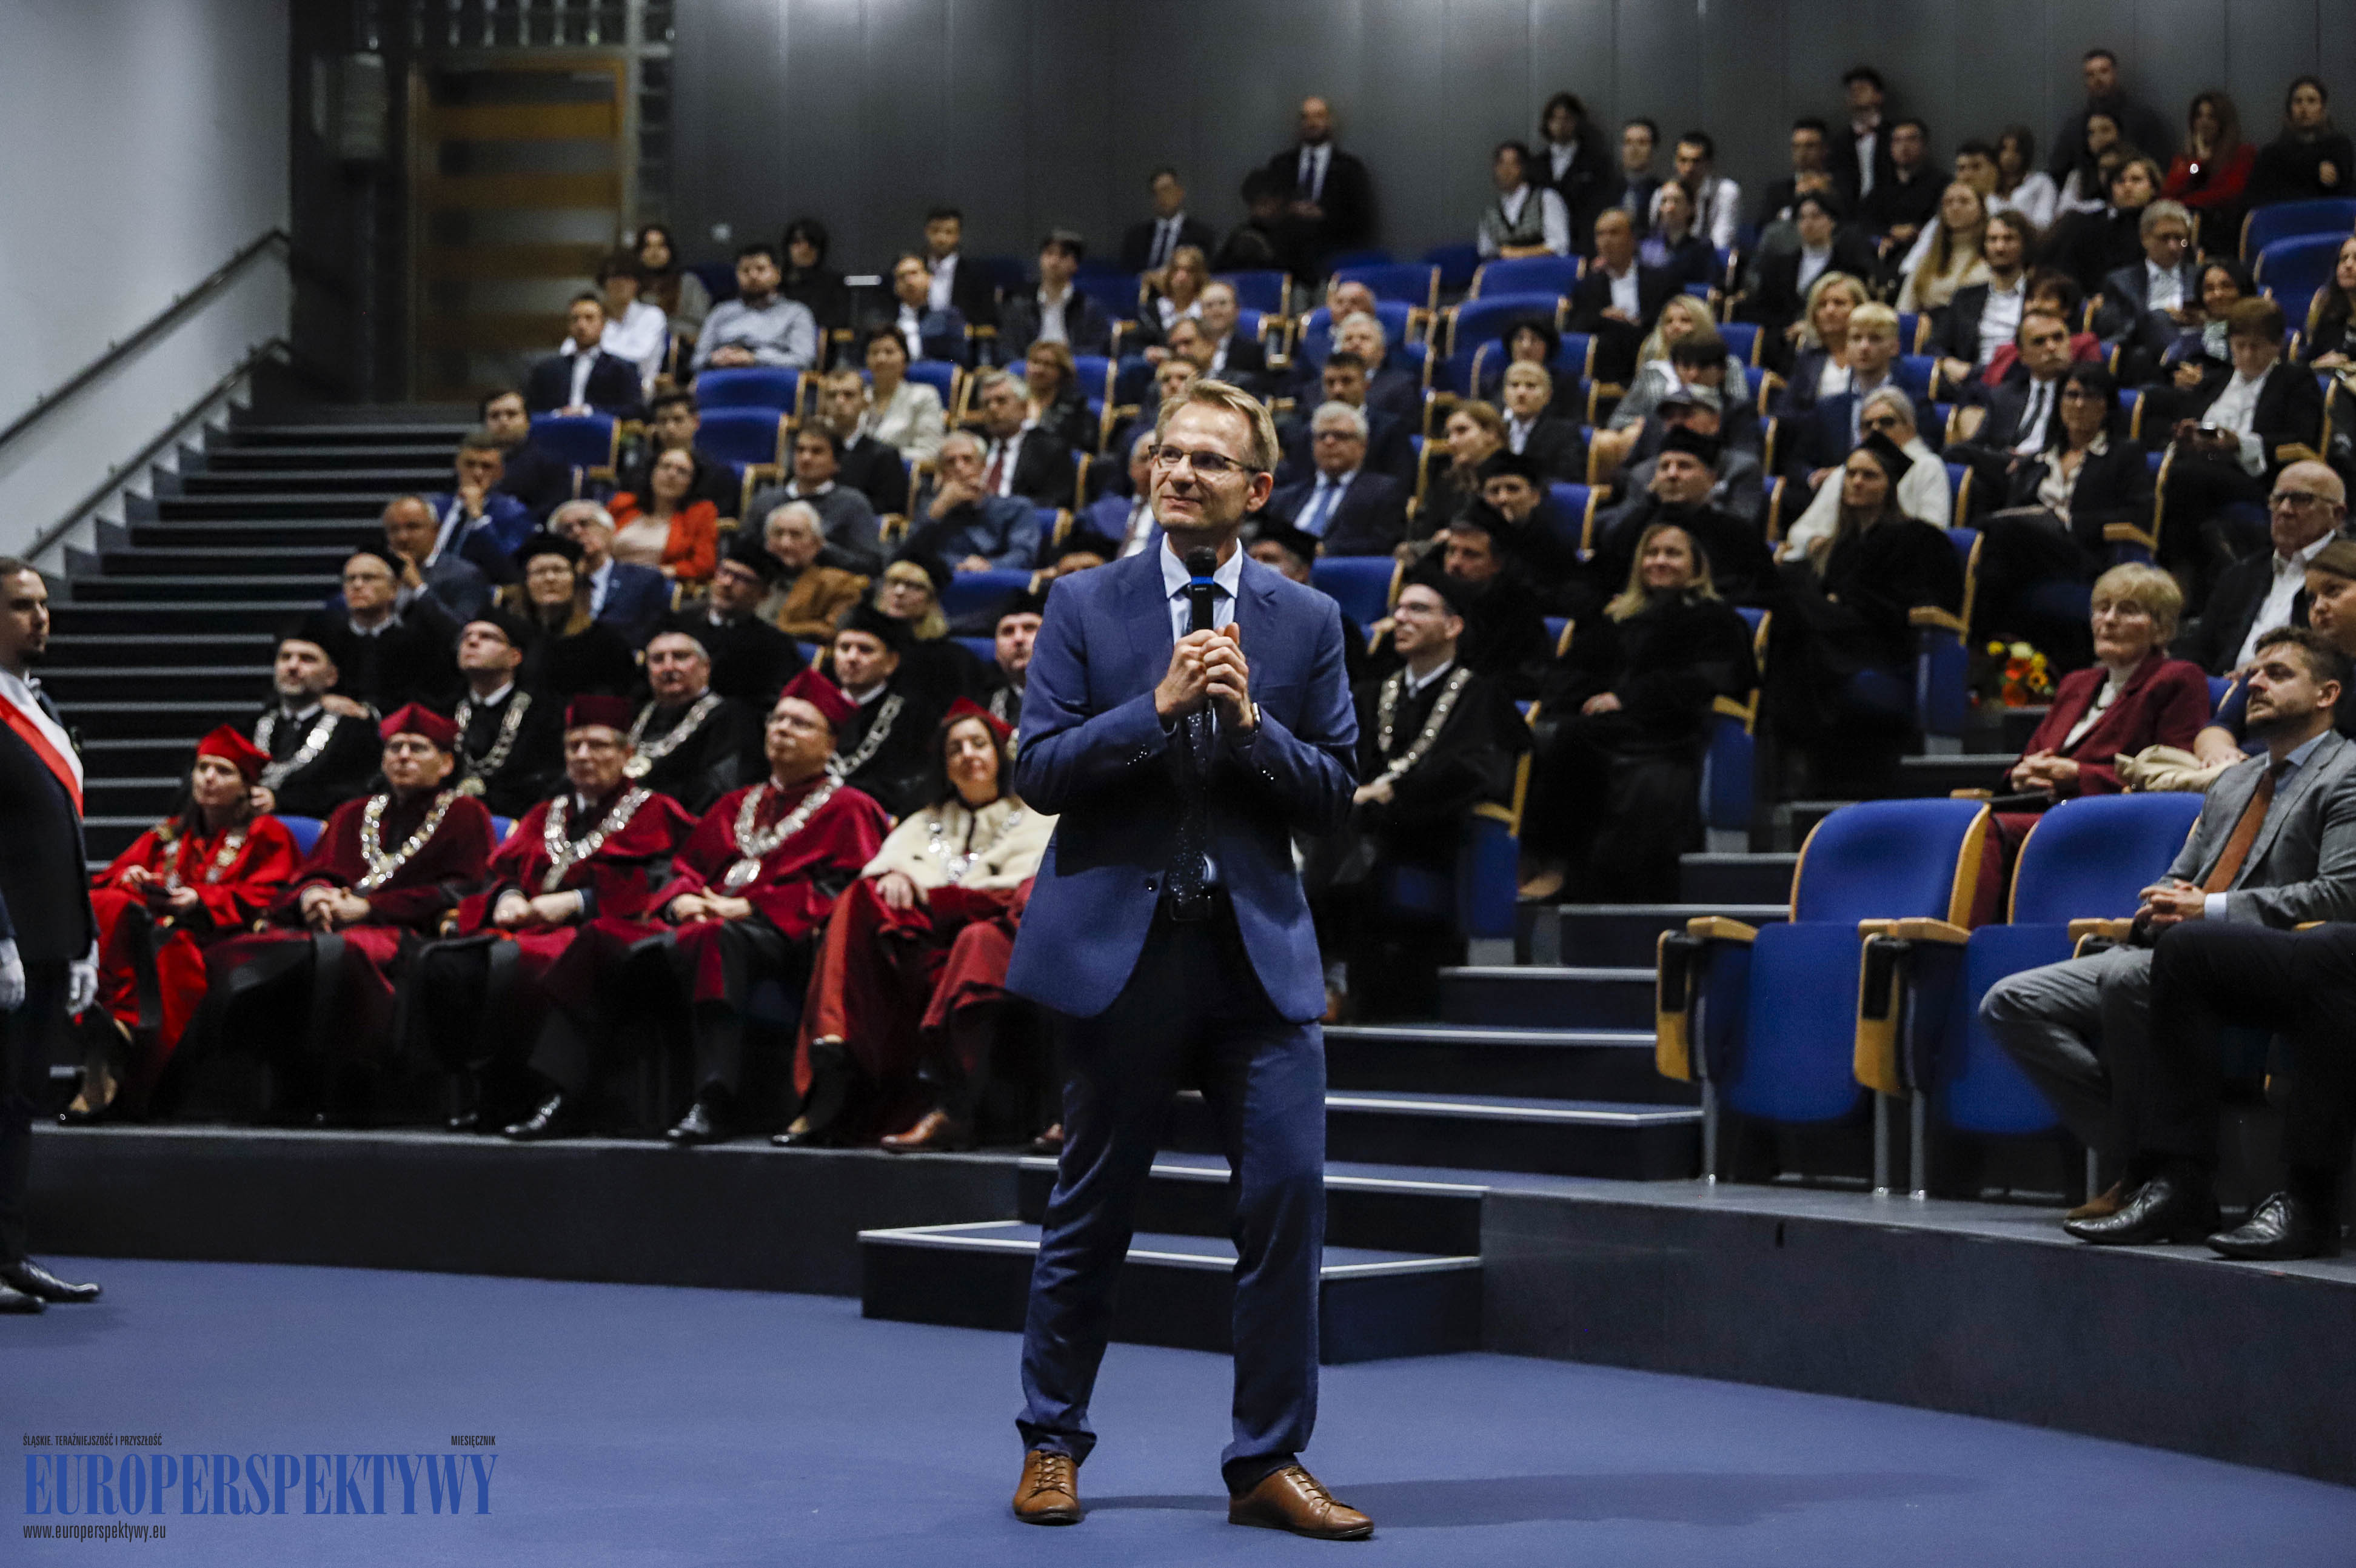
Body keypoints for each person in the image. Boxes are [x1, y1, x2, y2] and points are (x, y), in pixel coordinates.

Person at [1003, 377, 1365, 1538]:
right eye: (1168, 454)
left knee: (1288, 1204)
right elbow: (1040, 772)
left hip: (1257, 957)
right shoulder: (1083, 606)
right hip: (1124, 956)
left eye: (1210, 462)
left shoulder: (1305, 623)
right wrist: (1155, 708)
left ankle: (1266, 1459)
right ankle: (1051, 1441)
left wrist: (1258, 731)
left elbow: (1337, 801)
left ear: (1257, 489)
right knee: (1092, 1207)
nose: (1180, 473)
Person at [1983, 627, 2356, 1225]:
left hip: (2273, 958)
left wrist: (2206, 912)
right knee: (2011, 1002)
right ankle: (2143, 1160)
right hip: (2176, 946)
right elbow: (2182, 875)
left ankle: (2164, 1174)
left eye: (2278, 674)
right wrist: (2158, 906)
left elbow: (2341, 895)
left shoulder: (2347, 772)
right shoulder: (2235, 781)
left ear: (2326, 694)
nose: (2254, 682)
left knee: (2131, 980)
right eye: (2253, 672)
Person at [409, 695, 698, 1141]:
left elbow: (663, 881)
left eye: (598, 746)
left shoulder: (656, 810)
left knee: (516, 966)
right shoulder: (548, 812)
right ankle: (484, 1091)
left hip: (597, 932)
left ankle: (544, 1094)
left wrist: (577, 902)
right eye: (575, 747)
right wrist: (506, 896)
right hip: (523, 925)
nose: (584, 756)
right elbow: (500, 871)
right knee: (444, 964)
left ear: (626, 755)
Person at [193, 706, 497, 1125]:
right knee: (258, 949)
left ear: (446, 763)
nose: (403, 756)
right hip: (328, 926)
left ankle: (344, 1085)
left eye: (417, 748)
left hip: (403, 932)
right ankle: (284, 1078)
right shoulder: (352, 813)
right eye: (394, 748)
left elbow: (464, 888)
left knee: (340, 953)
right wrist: (313, 896)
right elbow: (312, 873)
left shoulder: (465, 814)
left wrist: (370, 907)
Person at [631, 674, 894, 1147]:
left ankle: (715, 1099)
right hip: (710, 923)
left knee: (716, 941)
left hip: (790, 941)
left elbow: (845, 890)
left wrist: (750, 906)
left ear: (830, 742)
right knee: (621, 950)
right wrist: (682, 901)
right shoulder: (735, 804)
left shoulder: (851, 809)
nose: (782, 730)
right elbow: (684, 867)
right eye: (777, 721)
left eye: (800, 723)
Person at [794, 700, 1056, 1150]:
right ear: (945, 766)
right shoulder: (924, 821)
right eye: (955, 749)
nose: (968, 755)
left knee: (976, 946)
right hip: (923, 944)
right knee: (860, 900)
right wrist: (893, 873)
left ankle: (949, 1107)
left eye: (978, 744)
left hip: (998, 937)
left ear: (999, 755)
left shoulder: (1036, 814)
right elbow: (882, 875)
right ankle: (835, 1044)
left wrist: (941, 898)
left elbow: (1020, 895)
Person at [1313, 565, 1530, 1022]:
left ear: (1453, 625)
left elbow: (1476, 771)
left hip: (1434, 833)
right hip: (1363, 828)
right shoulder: (1371, 694)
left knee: (1349, 843)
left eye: (1419, 609)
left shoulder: (1481, 695)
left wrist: (1392, 794)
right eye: (1398, 610)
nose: (1402, 619)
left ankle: (1336, 980)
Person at [1519, 524, 1756, 905]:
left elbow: (1711, 679)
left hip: (1666, 728)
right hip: (1608, 724)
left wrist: (1628, 697)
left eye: (1673, 553)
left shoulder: (1717, 620)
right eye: (1652, 553)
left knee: (1577, 740)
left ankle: (1558, 864)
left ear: (1697, 567)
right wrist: (1587, 695)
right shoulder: (1617, 618)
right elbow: (1571, 672)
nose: (1659, 561)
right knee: (1539, 732)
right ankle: (1533, 859)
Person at [70, 728, 301, 1120]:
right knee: (108, 903)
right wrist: (136, 877)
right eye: (203, 768)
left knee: (171, 957)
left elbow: (273, 894)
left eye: (223, 771)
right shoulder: (172, 831)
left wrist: (203, 899)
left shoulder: (268, 834)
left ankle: (127, 1065)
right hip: (159, 930)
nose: (208, 778)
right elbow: (115, 874)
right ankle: (113, 1030)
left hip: (218, 935)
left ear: (247, 786)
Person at [0, 561, 98, 1312]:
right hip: (7, 939)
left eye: (42, 604)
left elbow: (63, 830)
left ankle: (8, 1257)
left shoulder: (42, 704)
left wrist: (86, 938)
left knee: (19, 1103)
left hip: (49, 938)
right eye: (20, 606)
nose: (40, 617)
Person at [1766, 432, 1965, 794]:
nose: (1857, 482)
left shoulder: (1918, 537)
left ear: (1890, 487)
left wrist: (1849, 601)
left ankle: (1793, 757)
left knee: (1795, 614)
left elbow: (1921, 607)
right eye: (1851, 475)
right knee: (1783, 597)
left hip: (1882, 643)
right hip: (1835, 638)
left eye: (1869, 476)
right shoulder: (1838, 546)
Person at [1990, 565, 2205, 817]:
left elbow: (2172, 776)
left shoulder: (2177, 679)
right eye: (2102, 609)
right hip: (2039, 812)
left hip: (2105, 819)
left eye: (2127, 610)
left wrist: (2078, 776)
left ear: (2161, 628)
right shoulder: (2076, 683)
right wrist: (2018, 777)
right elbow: (2033, 755)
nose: (2109, 620)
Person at [1968, 362, 2151, 655]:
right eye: (2072, 395)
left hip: (2082, 553)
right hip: (2027, 553)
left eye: (2090, 397)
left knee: (1995, 532)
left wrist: (2069, 521)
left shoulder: (2123, 455)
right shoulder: (2040, 458)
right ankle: (1991, 649)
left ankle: (1977, 646)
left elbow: (2138, 515)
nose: (2079, 405)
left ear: (2107, 406)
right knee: (1989, 548)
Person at [2156, 297, 2328, 603]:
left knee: (2183, 478)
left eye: (2256, 347)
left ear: (2277, 346)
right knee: (2171, 473)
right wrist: (2186, 436)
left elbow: (2300, 442)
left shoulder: (2295, 382)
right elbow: (2185, 422)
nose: (2247, 355)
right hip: (2205, 465)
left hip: (2258, 475)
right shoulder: (2215, 381)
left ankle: (2180, 577)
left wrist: (2240, 444)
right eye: (2240, 346)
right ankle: (2194, 572)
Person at [2177, 461, 2349, 677]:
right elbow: (2200, 648)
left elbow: (2338, 657)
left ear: (2338, 515)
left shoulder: (2347, 575)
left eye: (2301, 500)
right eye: (2278, 499)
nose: (2285, 510)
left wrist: (2261, 672)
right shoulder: (2241, 574)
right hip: (2224, 692)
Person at [1594, 424, 1775, 609]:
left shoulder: (1736, 534)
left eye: (1684, 466)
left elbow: (1762, 595)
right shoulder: (1632, 526)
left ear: (1711, 479)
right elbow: (1601, 584)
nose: (1672, 475)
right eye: (1665, 467)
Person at [1943, 308, 2077, 506]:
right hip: (2004, 466)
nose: (2051, 347)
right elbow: (1978, 443)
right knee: (1955, 454)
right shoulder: (2004, 395)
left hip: (2048, 468)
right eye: (2039, 341)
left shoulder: (2081, 393)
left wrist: (2031, 461)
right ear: (2022, 355)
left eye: (2058, 338)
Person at [824, 606, 946, 818]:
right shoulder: (812, 708)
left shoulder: (915, 716)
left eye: (865, 650)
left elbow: (909, 785)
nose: (852, 658)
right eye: (844, 648)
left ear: (891, 662)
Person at [247, 631, 381, 818]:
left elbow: (356, 792)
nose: (293, 666)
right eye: (285, 657)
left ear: (332, 676)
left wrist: (281, 801)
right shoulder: (252, 725)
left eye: (307, 659)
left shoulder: (353, 730)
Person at [624, 630, 757, 815]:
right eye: (658, 659)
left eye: (680, 657)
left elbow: (716, 789)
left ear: (705, 666)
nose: (668, 667)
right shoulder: (635, 712)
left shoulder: (730, 717)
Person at [668, 538, 807, 710]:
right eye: (724, 572)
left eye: (741, 579)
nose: (727, 583)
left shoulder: (774, 646)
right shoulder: (677, 623)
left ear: (763, 594)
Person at [449, 611, 564, 817]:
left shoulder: (542, 713)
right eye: (466, 637)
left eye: (487, 637)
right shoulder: (445, 708)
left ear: (515, 657)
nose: (472, 642)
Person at [505, 532, 640, 700]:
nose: (550, 578)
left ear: (576, 581)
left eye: (559, 570)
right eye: (539, 572)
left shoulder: (605, 642)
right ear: (526, 584)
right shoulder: (508, 638)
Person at [1265, 403, 1408, 557]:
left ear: (1363, 445)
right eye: (1322, 436)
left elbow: (1383, 544)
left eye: (1340, 436)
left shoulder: (1383, 492)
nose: (1329, 442)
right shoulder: (1285, 498)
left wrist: (1323, 551)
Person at [1741, 192, 1878, 352]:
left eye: (1816, 216)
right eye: (1802, 218)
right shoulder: (1778, 266)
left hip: (1830, 344)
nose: (1808, 223)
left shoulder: (1848, 267)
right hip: (1781, 345)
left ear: (1832, 222)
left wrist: (1813, 328)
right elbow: (1764, 310)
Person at [748, 426, 885, 576]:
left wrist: (821, 550)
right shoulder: (766, 501)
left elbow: (870, 565)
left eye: (817, 451)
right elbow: (742, 553)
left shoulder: (853, 504)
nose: (806, 458)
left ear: (837, 462)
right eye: (800, 450)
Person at [1262, 94, 1377, 272]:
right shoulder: (1280, 165)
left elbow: (1362, 220)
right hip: (1287, 257)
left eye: (1318, 116)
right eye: (1305, 117)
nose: (1311, 123)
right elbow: (1265, 212)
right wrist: (1290, 210)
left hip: (1335, 254)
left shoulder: (1350, 168)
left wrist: (1323, 215)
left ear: (1330, 121)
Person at [905, 430, 1043, 575]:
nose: (959, 467)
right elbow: (908, 558)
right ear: (943, 473)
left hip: (994, 586)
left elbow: (1024, 556)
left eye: (967, 459)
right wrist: (939, 509)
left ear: (983, 466)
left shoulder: (1016, 508)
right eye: (950, 462)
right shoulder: (932, 510)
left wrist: (989, 565)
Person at [2090, 199, 2200, 381]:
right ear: (2145, 238)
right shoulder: (2120, 282)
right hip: (2148, 361)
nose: (2173, 246)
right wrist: (2161, 319)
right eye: (2165, 238)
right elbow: (2117, 333)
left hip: (2196, 352)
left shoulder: (2201, 278)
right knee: (2157, 320)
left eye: (2179, 239)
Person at [546, 499, 672, 649]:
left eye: (585, 524)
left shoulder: (644, 580)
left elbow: (652, 635)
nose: (577, 532)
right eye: (567, 529)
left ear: (608, 531)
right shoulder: (550, 584)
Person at [1928, 210, 2034, 386]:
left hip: (2019, 381)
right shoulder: (1966, 297)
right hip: (1971, 380)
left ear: (2025, 244)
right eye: (1992, 240)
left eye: (2009, 239)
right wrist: (1949, 363)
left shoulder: (2041, 294)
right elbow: (1935, 345)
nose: (2000, 247)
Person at [1567, 210, 1673, 383]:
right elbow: (1574, 327)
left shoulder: (1661, 280)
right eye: (1600, 235)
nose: (1606, 241)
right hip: (1608, 361)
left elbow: (1666, 322)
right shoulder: (1586, 286)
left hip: (1649, 351)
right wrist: (1604, 317)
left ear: (1632, 239)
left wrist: (1633, 323)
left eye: (1614, 233)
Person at [2046, 47, 2175, 186]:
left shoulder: (2144, 120)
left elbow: (2161, 168)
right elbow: (2056, 174)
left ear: (2115, 73)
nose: (2098, 80)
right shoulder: (2075, 127)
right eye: (2090, 75)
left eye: (2104, 71)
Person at [867, 557, 986, 705]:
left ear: (931, 599)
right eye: (893, 582)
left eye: (913, 586)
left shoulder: (952, 660)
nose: (899, 592)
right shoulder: (860, 646)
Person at [425, 429, 534, 585]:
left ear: (500, 473)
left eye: (487, 466)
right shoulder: (434, 507)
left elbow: (506, 568)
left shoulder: (514, 513)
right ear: (457, 466)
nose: (477, 473)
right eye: (470, 464)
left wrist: (478, 518)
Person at [692, 243, 819, 373]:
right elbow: (697, 361)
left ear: (777, 274)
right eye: (745, 270)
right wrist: (714, 359)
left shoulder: (797, 313)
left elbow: (804, 361)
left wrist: (754, 358)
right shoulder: (720, 312)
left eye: (761, 269)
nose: (753, 275)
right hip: (723, 376)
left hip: (772, 377)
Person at [615, 390, 743, 520]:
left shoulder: (719, 475)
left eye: (678, 420)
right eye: (662, 421)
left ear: (696, 422)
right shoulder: (638, 474)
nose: (670, 428)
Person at [606, 447, 720, 586]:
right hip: (609, 583)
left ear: (692, 482)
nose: (672, 474)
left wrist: (665, 572)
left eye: (682, 471)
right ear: (652, 472)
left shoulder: (700, 514)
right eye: (665, 466)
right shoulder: (623, 504)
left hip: (654, 588)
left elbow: (705, 566)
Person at [374, 494, 492, 627]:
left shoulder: (466, 575)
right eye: (394, 529)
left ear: (436, 530)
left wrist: (418, 587)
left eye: (413, 527)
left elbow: (462, 631)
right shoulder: (378, 574)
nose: (403, 537)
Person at [758, 501, 869, 642]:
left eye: (796, 535)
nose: (785, 543)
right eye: (778, 534)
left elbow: (833, 632)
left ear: (817, 544)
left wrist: (773, 630)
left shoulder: (836, 584)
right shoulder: (751, 579)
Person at [2161, 92, 2254, 258]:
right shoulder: (2186, 161)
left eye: (2211, 117)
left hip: (2223, 231)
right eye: (2199, 116)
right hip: (2185, 232)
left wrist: (2185, 203)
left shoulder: (2242, 154)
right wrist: (2197, 163)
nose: (2204, 122)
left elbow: (2230, 193)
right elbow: (2168, 195)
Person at [811, 368, 913, 517]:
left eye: (849, 395)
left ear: (865, 402)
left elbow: (889, 509)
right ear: (823, 403)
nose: (840, 402)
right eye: (832, 396)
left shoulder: (884, 456)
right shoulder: (810, 450)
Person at [525, 292, 645, 418]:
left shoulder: (623, 369)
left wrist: (589, 412)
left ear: (603, 324)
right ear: (569, 325)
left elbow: (635, 409)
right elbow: (532, 410)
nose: (581, 325)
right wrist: (558, 414)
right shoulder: (546, 370)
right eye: (575, 319)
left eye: (589, 318)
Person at [997, 230, 1113, 359]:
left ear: (1075, 265)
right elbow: (1008, 348)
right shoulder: (1019, 306)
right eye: (1049, 254)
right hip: (1029, 372)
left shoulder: (1089, 308)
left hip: (1072, 371)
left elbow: (1097, 350)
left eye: (1063, 256)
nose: (1054, 262)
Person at [2248, 76, 2352, 208]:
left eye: (2312, 101)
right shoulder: (2272, 153)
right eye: (2298, 101)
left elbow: (2343, 189)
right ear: (2290, 109)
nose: (2304, 108)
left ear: (2323, 108)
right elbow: (2258, 195)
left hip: (2328, 219)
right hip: (2285, 220)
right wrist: (2314, 171)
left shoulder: (2339, 146)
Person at [476, 387, 575, 523]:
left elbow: (554, 514)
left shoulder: (551, 463)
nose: (503, 421)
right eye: (495, 416)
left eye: (512, 415)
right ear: (484, 424)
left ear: (527, 421)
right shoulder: (471, 462)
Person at [1774, 270, 1872, 406]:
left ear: (1859, 309)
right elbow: (1786, 411)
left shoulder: (1873, 354)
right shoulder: (1808, 359)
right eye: (1822, 305)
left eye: (1839, 303)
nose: (1830, 310)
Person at [1534, 92, 1616, 253]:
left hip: (1584, 244)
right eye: (1555, 119)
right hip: (1544, 248)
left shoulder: (1595, 162)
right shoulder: (1536, 165)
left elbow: (1600, 208)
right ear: (1547, 123)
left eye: (1567, 118)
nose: (1561, 125)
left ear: (1577, 121)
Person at [1896, 183, 1991, 313]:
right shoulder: (1925, 262)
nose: (1955, 207)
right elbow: (1904, 311)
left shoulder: (1994, 256)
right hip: (1930, 329)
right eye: (1948, 202)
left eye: (1964, 201)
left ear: (1982, 208)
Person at [1419, 401, 1508, 537]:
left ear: (1491, 433)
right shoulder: (1446, 482)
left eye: (1462, 431)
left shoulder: (1513, 482)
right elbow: (1425, 533)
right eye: (1449, 434)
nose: (1452, 442)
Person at [1476, 140, 1570, 259]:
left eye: (1513, 164)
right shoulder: (1490, 212)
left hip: (1542, 270)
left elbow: (1560, 246)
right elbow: (1486, 252)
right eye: (1501, 164)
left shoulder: (1546, 199)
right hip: (1505, 273)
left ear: (1524, 168)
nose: (1506, 171)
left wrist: (1519, 253)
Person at [1496, 362, 1588, 483]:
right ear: (1504, 394)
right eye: (1514, 385)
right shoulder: (1494, 429)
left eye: (1531, 386)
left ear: (1548, 395)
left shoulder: (1565, 433)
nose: (1521, 393)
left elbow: (1569, 479)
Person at [592, 251, 667, 392]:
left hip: (640, 390)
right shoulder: (594, 317)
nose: (620, 283)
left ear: (637, 283)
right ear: (604, 283)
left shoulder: (653, 316)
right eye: (614, 277)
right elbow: (570, 350)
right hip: (597, 390)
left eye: (627, 277)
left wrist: (594, 353)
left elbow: (639, 357)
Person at [1862, 119, 1942, 251]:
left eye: (1911, 140)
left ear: (1924, 145)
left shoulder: (1941, 184)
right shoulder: (1880, 189)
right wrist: (1890, 232)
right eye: (1897, 141)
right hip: (1884, 250)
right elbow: (1865, 224)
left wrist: (1914, 231)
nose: (1904, 146)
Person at [879, 252, 969, 368]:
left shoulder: (949, 318)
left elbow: (958, 361)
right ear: (895, 286)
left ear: (929, 279)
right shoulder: (884, 323)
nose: (909, 281)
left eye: (914, 273)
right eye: (902, 276)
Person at [1657, 130, 1741, 252]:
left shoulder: (1726, 192)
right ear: (1675, 162)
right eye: (1683, 160)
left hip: (1710, 261)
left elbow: (1721, 242)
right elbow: (1657, 237)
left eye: (1696, 161)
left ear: (1708, 163)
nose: (1689, 168)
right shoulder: (1663, 194)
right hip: (1671, 260)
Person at [1123, 166, 1218, 273]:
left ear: (1180, 193)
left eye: (1166, 190)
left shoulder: (1202, 235)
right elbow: (1128, 275)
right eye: (1155, 193)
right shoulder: (1136, 237)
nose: (1161, 197)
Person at [921, 206, 999, 330]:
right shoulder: (913, 269)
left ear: (959, 235)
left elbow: (988, 321)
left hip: (964, 342)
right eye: (935, 231)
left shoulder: (978, 275)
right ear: (926, 232)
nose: (941, 239)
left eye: (949, 232)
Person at [980, 590, 1046, 732]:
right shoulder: (981, 711)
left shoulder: (1080, 698)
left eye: (1029, 628)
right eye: (1008, 631)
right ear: (996, 652)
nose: (1018, 639)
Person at [635, 223, 710, 344]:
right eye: (648, 246)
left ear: (670, 250)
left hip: (679, 349)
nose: (655, 252)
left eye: (661, 246)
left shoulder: (689, 283)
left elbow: (700, 325)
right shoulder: (632, 285)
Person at [1829, 66, 1892, 207]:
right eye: (1852, 91)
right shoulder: (1839, 142)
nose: (1856, 94)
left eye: (1862, 89)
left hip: (1888, 209)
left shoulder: (1894, 135)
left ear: (1879, 96)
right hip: (1850, 212)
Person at [1639, 180, 1718, 294]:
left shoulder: (1703, 248)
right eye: (1664, 201)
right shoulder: (1645, 247)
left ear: (1690, 208)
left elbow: (1709, 289)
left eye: (1676, 201)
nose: (1670, 208)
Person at [778, 217, 850, 340]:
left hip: (816, 341)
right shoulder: (776, 281)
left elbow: (837, 323)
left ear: (820, 249)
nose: (804, 249)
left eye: (811, 244)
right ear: (788, 247)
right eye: (797, 242)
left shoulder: (833, 283)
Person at [1019, 342, 1094, 456]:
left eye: (1047, 364)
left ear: (1062, 372)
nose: (1039, 370)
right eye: (1035, 362)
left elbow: (1082, 447)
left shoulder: (1076, 408)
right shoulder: (1013, 403)